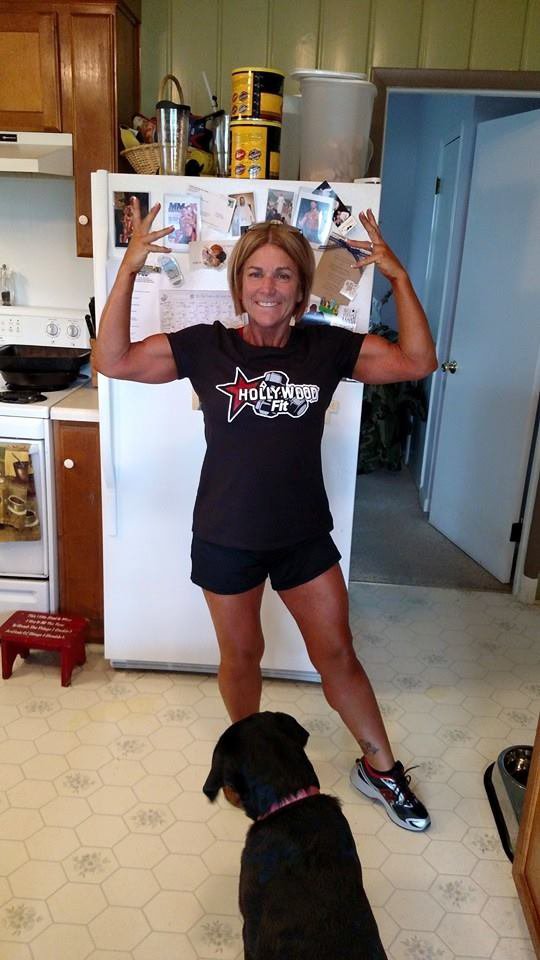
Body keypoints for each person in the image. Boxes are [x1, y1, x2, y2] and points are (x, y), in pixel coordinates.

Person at [94, 200, 438, 832]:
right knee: (243, 655)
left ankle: (381, 768)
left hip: (302, 534)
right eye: (255, 273)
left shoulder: (326, 348)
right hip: (226, 535)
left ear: (301, 288)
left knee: (338, 654)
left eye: (283, 274)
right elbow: (111, 360)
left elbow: (417, 361)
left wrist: (399, 276)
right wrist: (128, 271)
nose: (268, 287)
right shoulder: (206, 347)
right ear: (239, 284)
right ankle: (251, 758)